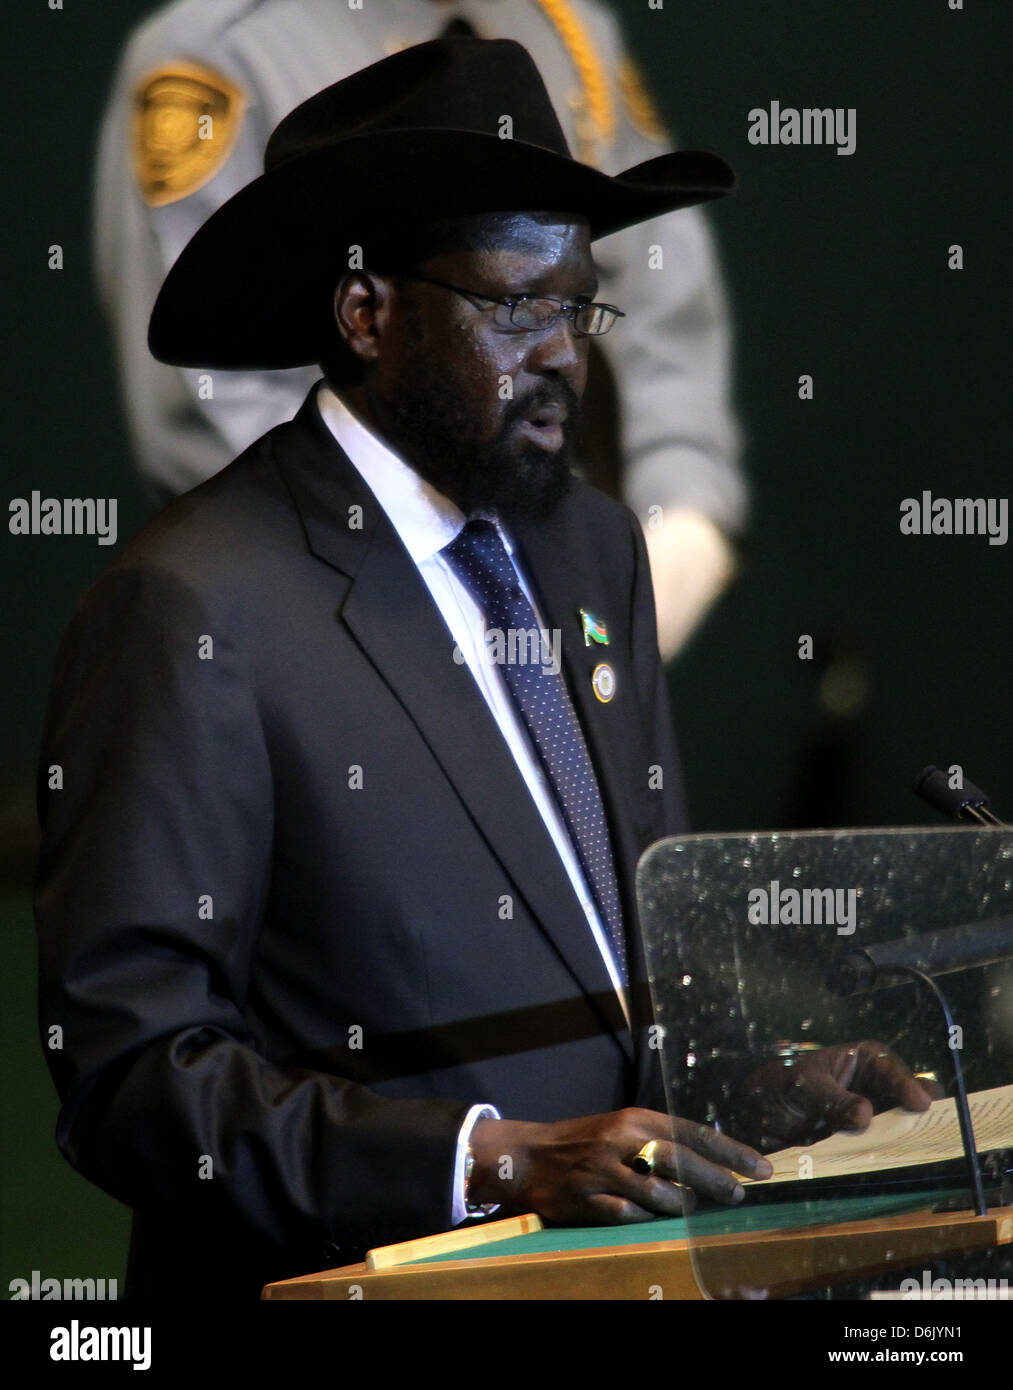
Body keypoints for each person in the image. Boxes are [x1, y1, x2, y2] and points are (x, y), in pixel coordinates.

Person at [38, 38, 931, 1301]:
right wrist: (486, 1163)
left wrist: (751, 1079)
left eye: (579, 304)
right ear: (367, 314)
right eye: (517, 307)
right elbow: (128, 1076)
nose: (566, 351)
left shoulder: (588, 546)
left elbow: (618, 978)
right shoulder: (194, 604)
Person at [93, 0, 746, 659]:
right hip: (343, 616)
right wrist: (430, 571)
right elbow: (224, 395)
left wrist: (677, 522)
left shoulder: (563, 31)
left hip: (567, 587)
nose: (556, 345)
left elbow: (664, 307)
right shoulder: (222, 48)